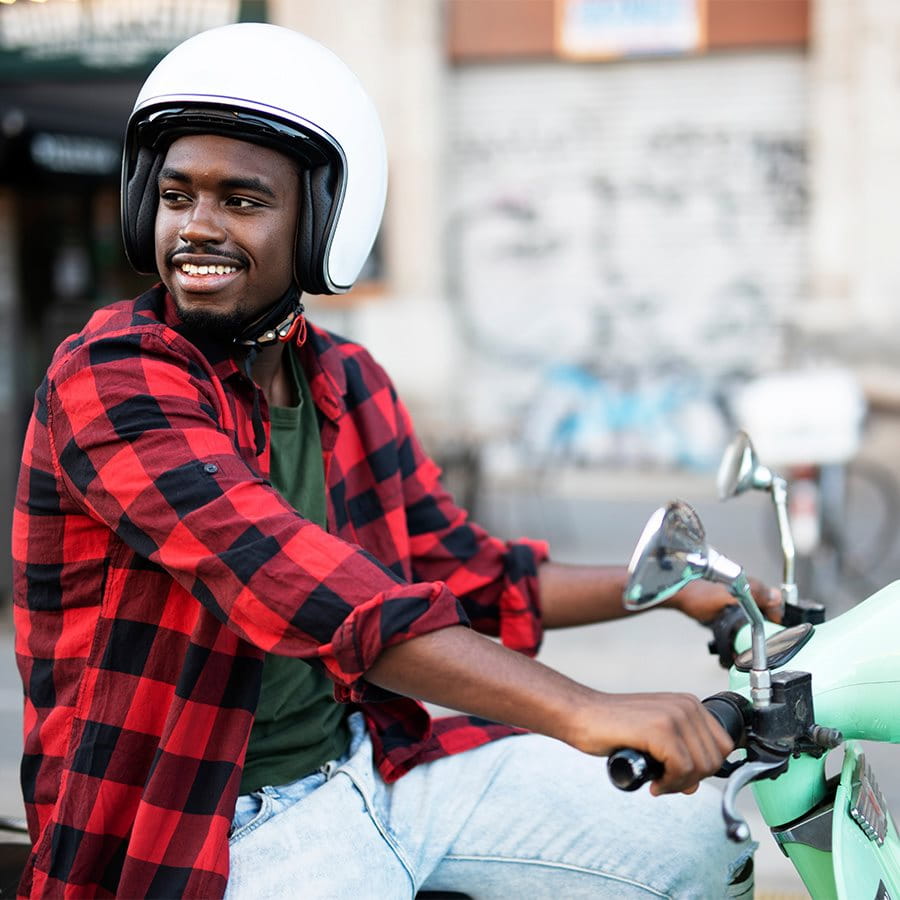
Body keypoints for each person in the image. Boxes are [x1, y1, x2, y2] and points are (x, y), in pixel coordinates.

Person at [12, 23, 781, 900]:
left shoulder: (345, 379)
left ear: (322, 222)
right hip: (207, 820)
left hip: (375, 765)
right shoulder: (113, 377)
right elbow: (298, 583)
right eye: (178, 195)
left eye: (242, 200)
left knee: (698, 844)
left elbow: (468, 574)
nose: (197, 227)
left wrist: (675, 586)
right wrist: (583, 708)